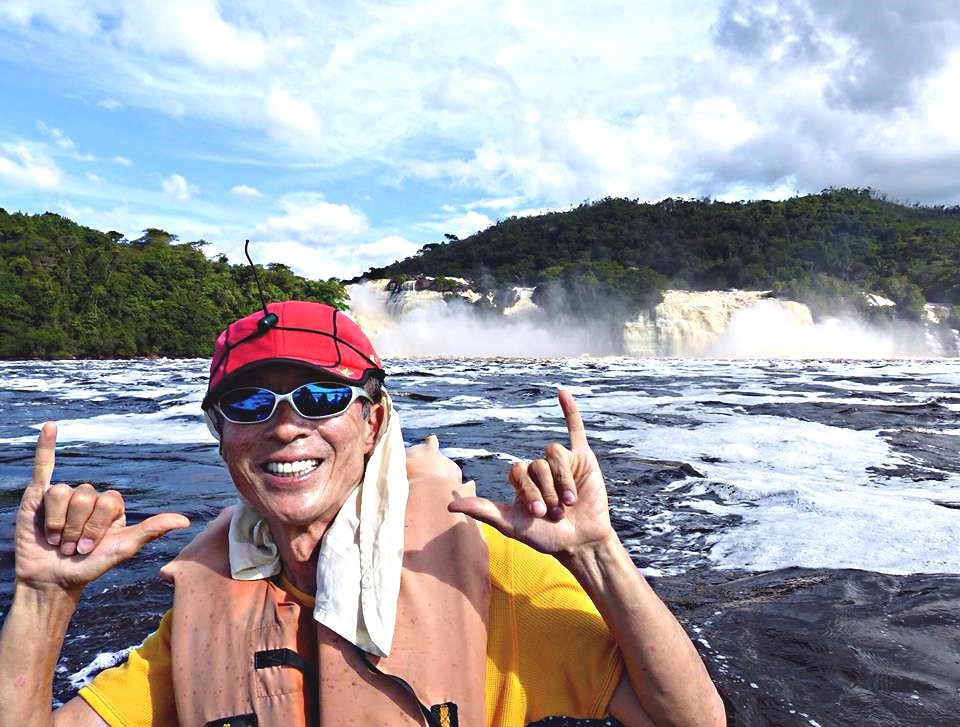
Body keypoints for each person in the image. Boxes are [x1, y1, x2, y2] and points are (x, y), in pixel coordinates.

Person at [0, 301, 725, 727]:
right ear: (222, 436)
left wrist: (596, 552)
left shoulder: (482, 569)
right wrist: (43, 597)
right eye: (250, 405)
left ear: (374, 422)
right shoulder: (201, 608)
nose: (284, 427)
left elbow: (691, 719)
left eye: (319, 398)